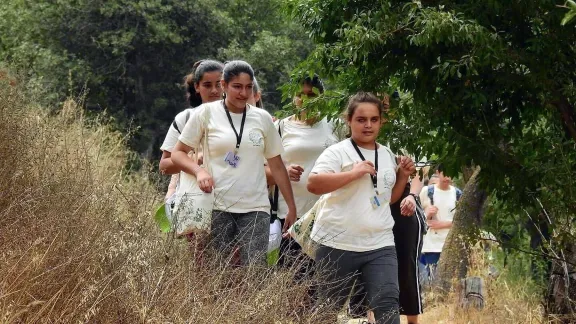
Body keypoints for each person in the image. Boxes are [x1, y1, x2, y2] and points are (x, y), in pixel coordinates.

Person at [171, 60, 297, 266]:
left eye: (248, 87)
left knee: (256, 272)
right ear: (224, 85)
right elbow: (178, 154)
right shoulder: (206, 113)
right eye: (237, 86)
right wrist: (199, 172)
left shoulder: (262, 118)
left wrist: (291, 207)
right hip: (218, 205)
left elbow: (277, 166)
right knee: (219, 273)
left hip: (256, 206)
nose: (243, 93)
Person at [306, 92, 415, 324]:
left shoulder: (386, 153)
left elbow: (388, 199)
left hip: (380, 243)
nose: (368, 125)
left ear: (381, 121)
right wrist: (353, 174)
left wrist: (403, 176)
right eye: (361, 119)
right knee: (327, 309)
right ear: (349, 120)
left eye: (374, 119)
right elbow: (313, 184)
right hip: (337, 242)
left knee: (387, 304)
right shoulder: (337, 152)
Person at [348, 93, 426, 324]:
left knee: (405, 264)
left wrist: (412, 196)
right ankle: (369, 319)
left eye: (387, 103)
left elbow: (420, 173)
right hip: (370, 205)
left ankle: (412, 320)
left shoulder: (409, 132)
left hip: (404, 206)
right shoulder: (359, 132)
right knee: (367, 264)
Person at [159, 59, 224, 197]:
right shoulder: (186, 118)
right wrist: (194, 161)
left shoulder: (242, 118)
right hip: (194, 199)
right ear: (197, 87)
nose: (214, 90)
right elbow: (164, 166)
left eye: (218, 84)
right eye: (207, 85)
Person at [418, 164, 462, 284]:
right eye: (445, 173)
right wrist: (426, 214)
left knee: (451, 282)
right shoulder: (427, 191)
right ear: (438, 173)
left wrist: (442, 224)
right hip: (432, 245)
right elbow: (415, 216)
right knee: (432, 281)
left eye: (451, 173)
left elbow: (461, 221)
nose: (447, 177)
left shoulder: (457, 194)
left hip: (451, 244)